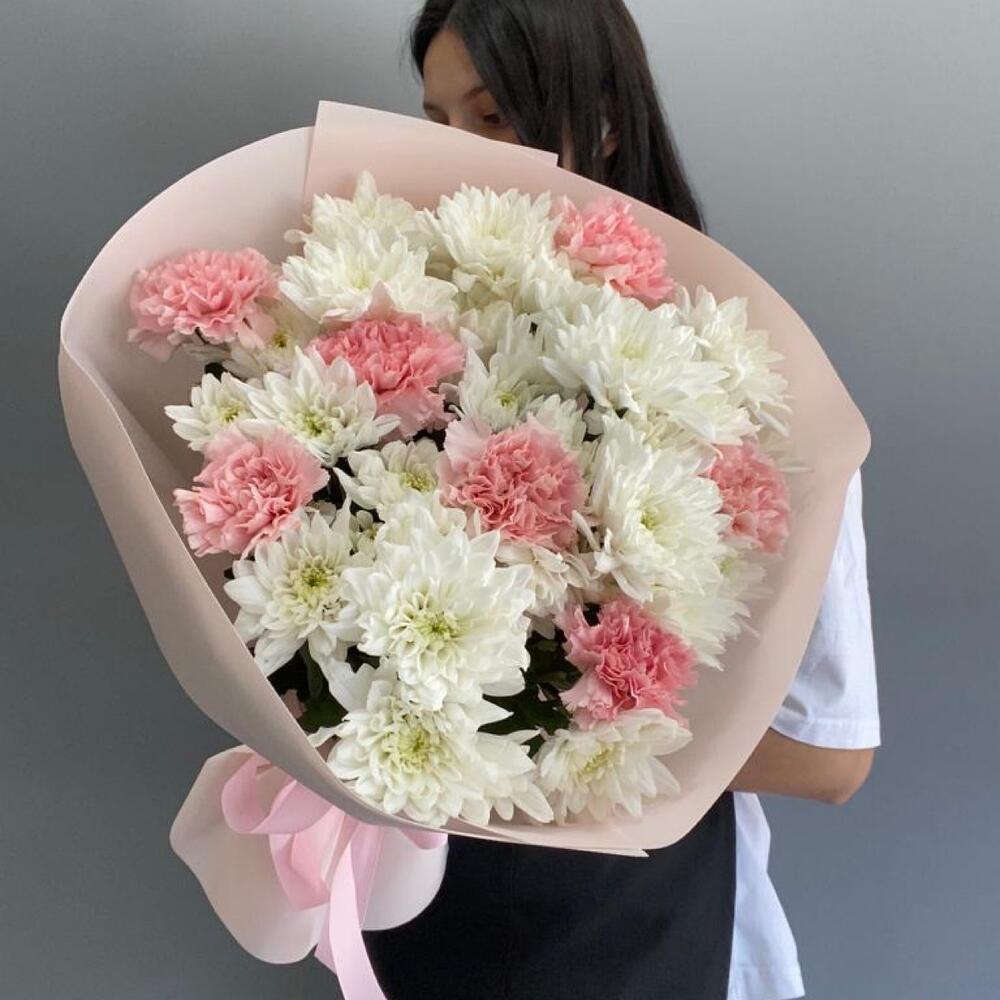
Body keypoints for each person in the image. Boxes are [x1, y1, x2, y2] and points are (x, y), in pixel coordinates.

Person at [363, 3, 882, 998]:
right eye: (435, 119)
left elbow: (831, 757)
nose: (455, 154)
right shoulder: (401, 354)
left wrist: (545, 725)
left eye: (493, 117)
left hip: (641, 931)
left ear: (599, 121)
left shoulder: (743, 378)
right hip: (430, 916)